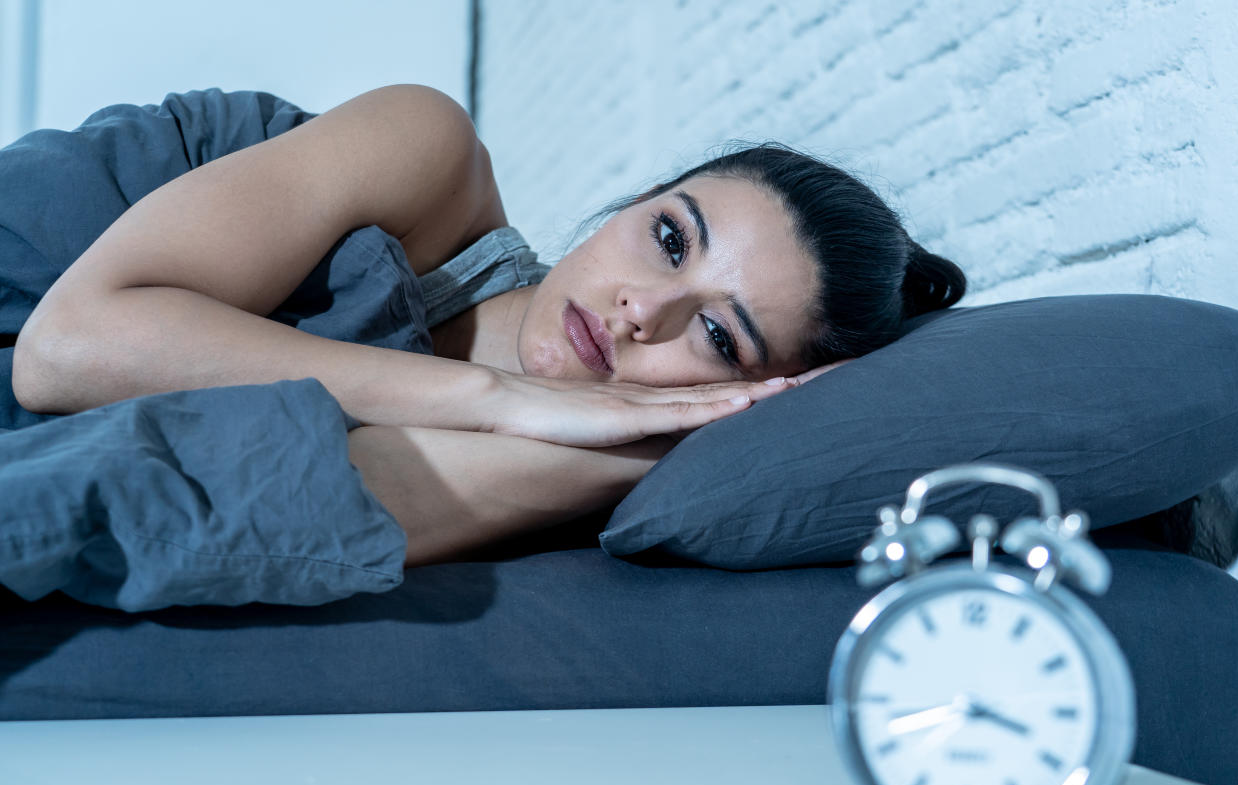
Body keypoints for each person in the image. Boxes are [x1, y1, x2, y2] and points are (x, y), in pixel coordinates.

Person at [4, 85, 965, 568]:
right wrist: (495, 394)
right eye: (669, 237)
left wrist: (653, 443)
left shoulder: (573, 485)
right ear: (631, 202)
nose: (644, 309)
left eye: (718, 338)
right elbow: (64, 353)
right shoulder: (429, 157)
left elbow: (292, 507)